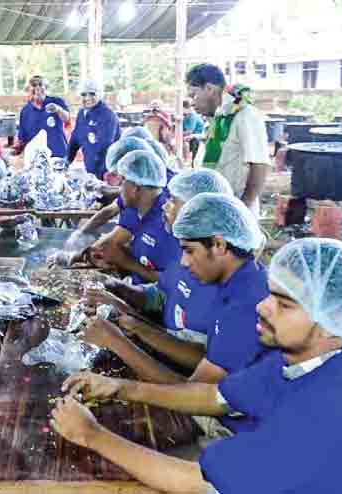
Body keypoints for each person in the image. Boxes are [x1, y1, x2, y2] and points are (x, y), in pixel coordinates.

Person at [51, 237, 342, 494]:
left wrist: (91, 435)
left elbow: (195, 480)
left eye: (283, 305)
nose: (263, 307)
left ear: (331, 321)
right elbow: (217, 397)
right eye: (270, 294)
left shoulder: (322, 414)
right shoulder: (316, 359)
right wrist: (123, 388)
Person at [85, 169, 235, 372]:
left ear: (199, 212)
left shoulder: (224, 278)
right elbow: (159, 295)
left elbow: (205, 365)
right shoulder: (184, 250)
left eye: (173, 201)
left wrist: (130, 330)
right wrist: (115, 290)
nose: (165, 205)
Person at [187, 63, 271, 217]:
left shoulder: (245, 115)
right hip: (217, 206)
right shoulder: (218, 118)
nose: (192, 102)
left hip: (237, 211)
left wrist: (242, 209)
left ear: (210, 89)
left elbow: (260, 164)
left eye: (193, 95)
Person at [86, 148, 179, 285]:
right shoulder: (139, 210)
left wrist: (125, 261)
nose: (119, 188)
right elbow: (145, 257)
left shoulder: (167, 223)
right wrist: (113, 257)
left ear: (135, 189)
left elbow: (174, 283)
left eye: (123, 181)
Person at [67, 80, 121, 180]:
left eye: (92, 93)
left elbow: (104, 145)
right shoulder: (82, 114)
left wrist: (96, 176)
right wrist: (66, 161)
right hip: (90, 170)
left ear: (100, 95)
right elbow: (75, 139)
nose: (87, 98)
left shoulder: (107, 115)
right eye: (83, 94)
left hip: (107, 172)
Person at [13, 75, 71, 158]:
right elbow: (22, 138)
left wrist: (58, 109)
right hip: (36, 157)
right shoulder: (25, 111)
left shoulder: (56, 101)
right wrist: (16, 151)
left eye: (40, 85)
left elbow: (67, 119)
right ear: (28, 90)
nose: (37, 88)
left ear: (46, 88)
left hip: (58, 154)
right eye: (34, 85)